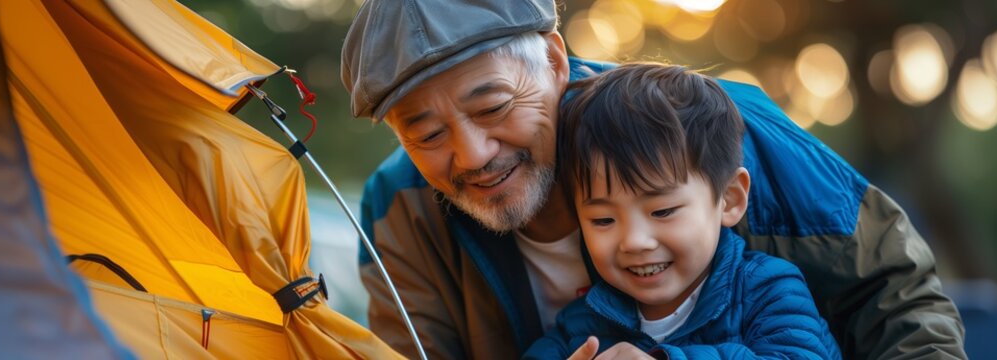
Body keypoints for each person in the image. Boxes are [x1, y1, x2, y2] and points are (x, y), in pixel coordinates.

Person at [340, 0, 965, 359]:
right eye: (425, 133)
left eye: (492, 106)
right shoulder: (399, 211)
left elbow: (894, 294)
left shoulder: (710, 133)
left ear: (555, 61)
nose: (471, 154)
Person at [523, 63, 841, 359]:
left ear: (729, 199)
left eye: (662, 211)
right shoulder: (580, 324)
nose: (634, 241)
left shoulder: (767, 290)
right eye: (603, 220)